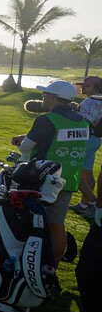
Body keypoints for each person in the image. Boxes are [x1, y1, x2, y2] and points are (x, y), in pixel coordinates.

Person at [11, 79, 90, 265]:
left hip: (42, 179)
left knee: (28, 221)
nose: (43, 96)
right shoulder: (82, 121)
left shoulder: (47, 119)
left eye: (45, 94)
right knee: (56, 224)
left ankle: (23, 262)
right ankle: (51, 266)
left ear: (54, 97)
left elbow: (26, 146)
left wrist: (24, 141)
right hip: (68, 179)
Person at [72, 75, 102, 215]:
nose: (82, 87)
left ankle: (92, 202)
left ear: (96, 87)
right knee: (86, 172)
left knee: (73, 169)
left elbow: (90, 120)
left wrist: (71, 111)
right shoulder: (95, 99)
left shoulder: (94, 100)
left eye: (86, 86)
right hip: (93, 139)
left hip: (87, 140)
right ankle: (86, 205)